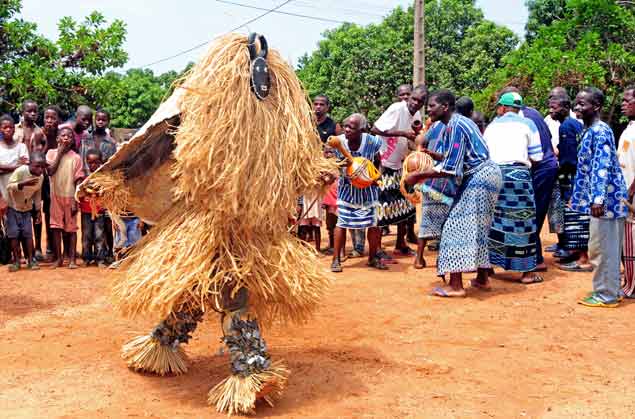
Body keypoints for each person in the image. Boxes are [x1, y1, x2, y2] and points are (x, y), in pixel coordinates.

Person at [406, 89, 502, 297]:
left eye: (431, 105)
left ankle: (456, 286)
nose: (428, 110)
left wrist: (417, 176)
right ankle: (483, 279)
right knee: (478, 229)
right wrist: (434, 156)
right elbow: (457, 157)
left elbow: (451, 169)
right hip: (486, 176)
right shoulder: (458, 123)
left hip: (479, 178)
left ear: (445, 106)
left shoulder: (455, 125)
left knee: (453, 227)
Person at [571, 87, 628, 308]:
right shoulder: (590, 130)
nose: (578, 107)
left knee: (604, 249)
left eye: (582, 104)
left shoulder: (600, 131)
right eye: (576, 103)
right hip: (605, 202)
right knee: (603, 248)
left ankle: (607, 295)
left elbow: (601, 166)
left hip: (607, 203)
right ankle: (609, 289)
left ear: (596, 107)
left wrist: (597, 199)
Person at [483, 92, 544, 283]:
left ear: (502, 107)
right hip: (518, 177)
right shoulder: (528, 124)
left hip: (493, 175)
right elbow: (537, 156)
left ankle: (488, 267)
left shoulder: (492, 126)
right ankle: (526, 272)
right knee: (522, 221)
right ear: (520, 109)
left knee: (493, 221)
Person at [502, 86, 558, 272]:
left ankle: (536, 259)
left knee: (529, 213)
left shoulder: (521, 120)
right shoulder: (533, 113)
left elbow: (531, 154)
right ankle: (535, 256)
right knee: (533, 213)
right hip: (547, 166)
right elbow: (547, 138)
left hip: (540, 168)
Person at [371, 85, 426, 257]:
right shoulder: (396, 109)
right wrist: (403, 133)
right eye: (413, 99)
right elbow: (374, 129)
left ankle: (400, 243)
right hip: (384, 162)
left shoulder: (416, 114)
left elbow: (417, 136)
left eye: (419, 101)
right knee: (383, 207)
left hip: (400, 164)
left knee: (406, 205)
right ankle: (378, 249)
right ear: (408, 98)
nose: (415, 103)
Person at [331, 113, 386, 272]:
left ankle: (372, 257)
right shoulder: (338, 142)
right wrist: (341, 168)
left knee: (374, 224)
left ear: (361, 129)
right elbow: (333, 163)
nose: (346, 129)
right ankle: (335, 260)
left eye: (351, 127)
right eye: (345, 126)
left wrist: (376, 175)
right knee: (341, 223)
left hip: (368, 191)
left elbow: (378, 161)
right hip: (347, 190)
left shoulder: (372, 142)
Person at [548, 95, 590, 271]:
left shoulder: (566, 126)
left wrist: (560, 170)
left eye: (554, 107)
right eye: (550, 107)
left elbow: (570, 157)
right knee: (574, 217)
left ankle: (582, 258)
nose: (551, 111)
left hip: (572, 177)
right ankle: (576, 253)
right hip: (576, 176)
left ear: (565, 107)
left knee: (576, 217)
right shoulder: (572, 124)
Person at [413, 118, 456, 269]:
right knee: (447, 223)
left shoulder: (436, 127)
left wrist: (421, 150)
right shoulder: (454, 127)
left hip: (430, 181)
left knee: (426, 220)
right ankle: (440, 259)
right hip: (445, 181)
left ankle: (419, 258)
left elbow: (421, 140)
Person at [46, 126, 85, 269]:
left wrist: (76, 200)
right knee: (56, 227)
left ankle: (73, 259)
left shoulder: (76, 158)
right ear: (58, 139)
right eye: (63, 135)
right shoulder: (51, 153)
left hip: (70, 197)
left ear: (73, 140)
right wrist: (60, 153)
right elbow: (50, 171)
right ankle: (58, 258)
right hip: (55, 196)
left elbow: (78, 180)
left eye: (69, 136)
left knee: (72, 229)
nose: (66, 138)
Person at [5, 152, 46, 271]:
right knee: (14, 235)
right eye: (37, 166)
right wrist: (23, 184)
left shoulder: (41, 177)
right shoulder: (21, 171)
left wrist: (38, 210)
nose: (40, 169)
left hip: (27, 208)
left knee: (28, 235)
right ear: (30, 164)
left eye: (43, 167)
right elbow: (9, 186)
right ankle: (16, 261)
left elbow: (37, 194)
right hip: (13, 207)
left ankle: (31, 260)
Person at [618, 86, 635, 297]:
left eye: (627, 100)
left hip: (631, 195)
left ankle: (632, 286)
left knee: (631, 241)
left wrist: (630, 191)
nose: (623, 103)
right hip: (625, 194)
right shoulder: (629, 127)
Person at [77, 149, 107, 267]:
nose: (93, 165)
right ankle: (86, 258)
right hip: (86, 210)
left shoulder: (103, 178)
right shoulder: (83, 177)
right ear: (86, 162)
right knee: (86, 235)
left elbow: (106, 192)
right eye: (90, 163)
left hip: (99, 210)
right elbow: (79, 193)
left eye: (96, 162)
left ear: (100, 162)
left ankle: (100, 258)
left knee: (99, 235)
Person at [40, 105, 62, 260]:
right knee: (47, 212)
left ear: (58, 120)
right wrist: (47, 140)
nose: (49, 121)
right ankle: (49, 246)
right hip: (43, 179)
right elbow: (37, 156)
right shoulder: (39, 135)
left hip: (60, 179)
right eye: (46, 117)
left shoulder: (63, 135)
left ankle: (63, 248)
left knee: (61, 211)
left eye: (52, 118)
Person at [0, 115, 29, 210]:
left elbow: (25, 167)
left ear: (14, 129)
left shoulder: (21, 147)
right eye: (5, 127)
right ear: (0, 129)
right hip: (2, 190)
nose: (8, 130)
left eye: (11, 127)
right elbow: (21, 166)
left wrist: (3, 169)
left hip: (18, 190)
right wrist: (17, 166)